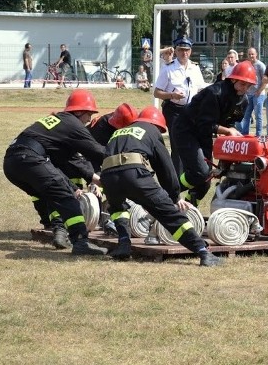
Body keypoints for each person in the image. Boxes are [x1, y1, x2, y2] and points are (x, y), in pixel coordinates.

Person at [100, 106, 223, 267]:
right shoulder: (151, 131)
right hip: (133, 173)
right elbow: (165, 167)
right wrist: (174, 196)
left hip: (108, 176)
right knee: (169, 214)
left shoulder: (119, 132)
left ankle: (124, 243)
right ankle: (202, 251)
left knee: (117, 209)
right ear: (158, 125)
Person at [2, 89, 108, 256]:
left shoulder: (57, 121)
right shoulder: (72, 123)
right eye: (89, 114)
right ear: (79, 111)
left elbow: (69, 161)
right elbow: (96, 151)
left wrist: (94, 179)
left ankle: (59, 231)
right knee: (66, 196)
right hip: (30, 158)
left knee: (52, 192)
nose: (89, 119)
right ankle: (80, 242)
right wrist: (123, 160)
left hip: (12, 163)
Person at [172, 61, 256, 206]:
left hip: (204, 133)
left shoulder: (243, 101)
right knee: (200, 173)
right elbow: (204, 123)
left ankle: (189, 209)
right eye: (243, 84)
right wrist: (227, 131)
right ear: (233, 79)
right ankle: (168, 191)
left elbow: (230, 123)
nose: (245, 89)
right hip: (186, 130)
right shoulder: (215, 93)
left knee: (205, 181)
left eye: (249, 86)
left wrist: (229, 132)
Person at [153, 36, 206, 172]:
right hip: (174, 111)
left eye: (187, 50)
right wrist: (172, 95)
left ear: (190, 51)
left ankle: (191, 172)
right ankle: (176, 179)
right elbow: (157, 93)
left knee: (192, 142)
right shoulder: (168, 69)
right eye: (181, 50)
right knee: (177, 145)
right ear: (175, 51)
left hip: (192, 111)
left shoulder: (195, 68)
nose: (184, 53)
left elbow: (200, 89)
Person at [238, 47, 267, 136]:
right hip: (248, 93)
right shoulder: (246, 64)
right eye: (249, 54)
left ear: (256, 54)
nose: (251, 56)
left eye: (252, 54)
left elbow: (265, 80)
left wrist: (259, 91)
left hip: (258, 94)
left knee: (258, 116)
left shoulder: (261, 65)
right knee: (246, 115)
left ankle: (258, 134)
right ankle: (245, 133)